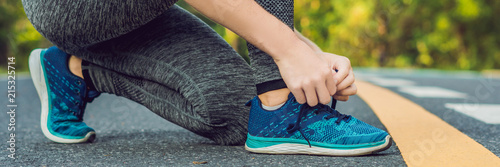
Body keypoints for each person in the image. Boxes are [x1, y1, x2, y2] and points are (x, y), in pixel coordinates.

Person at [23, 0, 392, 156]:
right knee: (269, 107)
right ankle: (280, 106)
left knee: (238, 116)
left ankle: (74, 71)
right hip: (70, 5)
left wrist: (306, 55)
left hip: (138, 12)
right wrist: (290, 53)